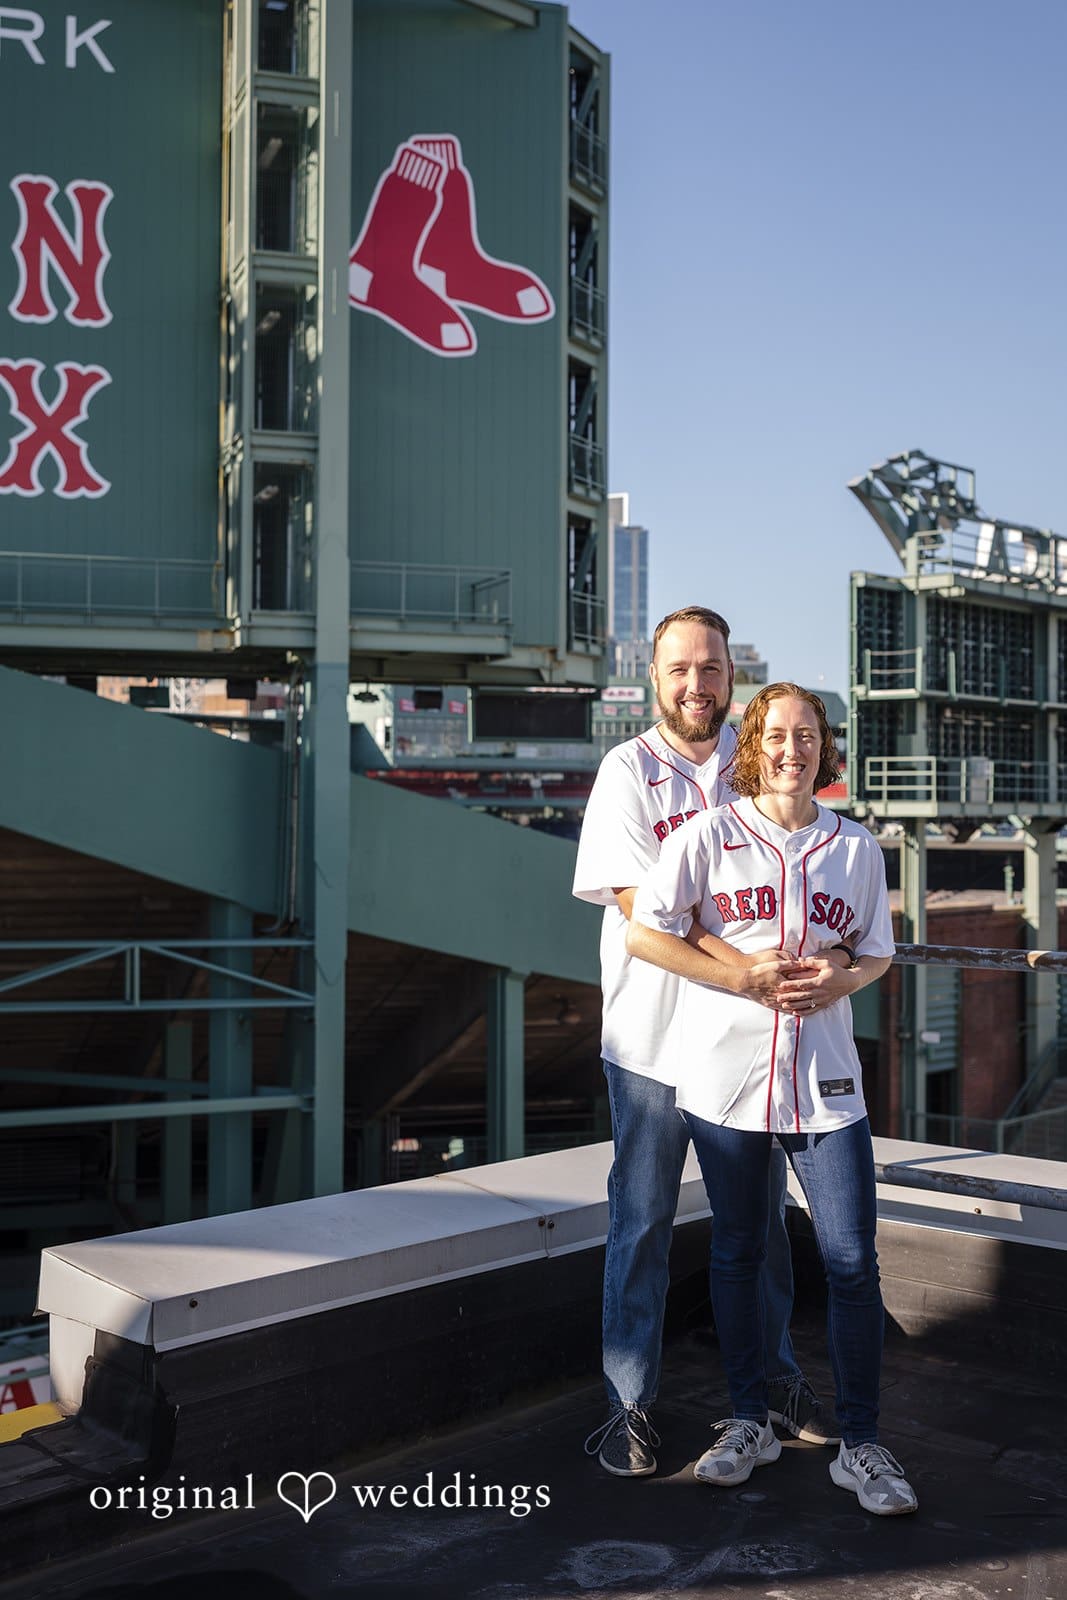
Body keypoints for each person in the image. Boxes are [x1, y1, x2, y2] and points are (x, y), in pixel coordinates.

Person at [627, 683, 917, 1515]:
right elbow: (646, 930)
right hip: (724, 1079)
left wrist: (842, 975)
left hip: (825, 1086)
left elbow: (875, 954)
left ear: (825, 748)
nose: (792, 748)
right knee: (736, 1254)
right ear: (754, 744)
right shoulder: (708, 833)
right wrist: (737, 976)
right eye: (777, 733)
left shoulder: (855, 847)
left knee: (851, 1262)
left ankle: (860, 1443)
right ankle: (747, 1420)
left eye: (807, 734)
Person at [573, 611, 838, 1479]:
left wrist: (826, 963)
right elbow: (648, 909)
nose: (698, 684)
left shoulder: (762, 757)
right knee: (641, 1223)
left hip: (741, 1051)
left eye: (713, 668)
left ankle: (775, 1388)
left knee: (759, 1227)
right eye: (680, 668)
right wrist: (748, 971)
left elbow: (817, 878)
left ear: (734, 674)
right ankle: (627, 1407)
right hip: (651, 1044)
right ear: (654, 677)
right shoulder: (626, 772)